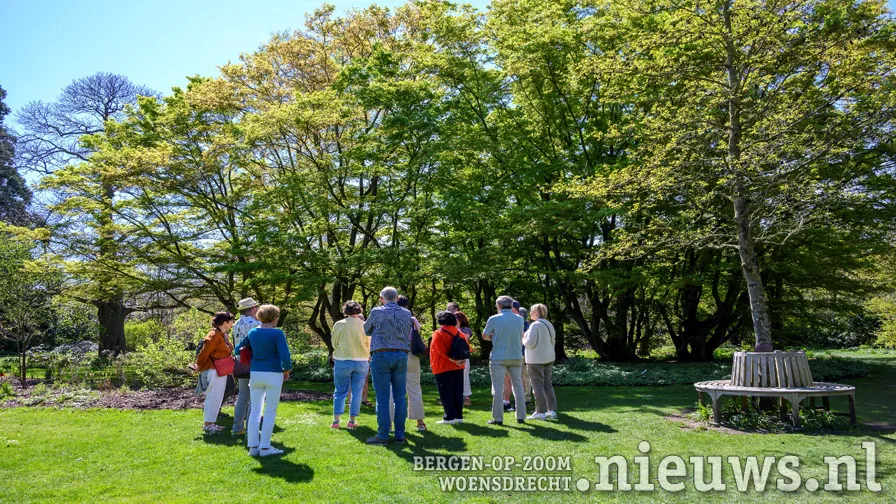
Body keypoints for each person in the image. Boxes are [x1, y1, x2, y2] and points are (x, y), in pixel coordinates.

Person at [235, 304, 291, 457]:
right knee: (270, 410)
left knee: (255, 410)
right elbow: (285, 356)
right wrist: (286, 369)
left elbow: (237, 348)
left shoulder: (253, 332)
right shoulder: (277, 334)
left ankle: (253, 447)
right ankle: (265, 447)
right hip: (273, 373)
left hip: (256, 373)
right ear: (274, 317)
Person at [363, 287, 414, 445]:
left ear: (381, 298)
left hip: (381, 354)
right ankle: (400, 435)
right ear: (397, 298)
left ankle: (383, 435)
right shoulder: (407, 313)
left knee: (383, 397)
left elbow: (366, 329)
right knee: (400, 397)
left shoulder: (377, 312)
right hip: (401, 354)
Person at [482, 296, 526, 425]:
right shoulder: (520, 319)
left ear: (500, 305)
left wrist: (495, 338)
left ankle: (498, 418)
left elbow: (485, 336)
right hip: (516, 356)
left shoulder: (494, 319)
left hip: (499, 357)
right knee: (518, 386)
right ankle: (521, 416)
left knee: (498, 387)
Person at [331, 300, 370, 430]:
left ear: (345, 311)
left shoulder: (339, 324)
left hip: (343, 360)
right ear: (359, 310)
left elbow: (334, 342)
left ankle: (336, 421)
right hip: (361, 360)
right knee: (357, 391)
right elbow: (369, 345)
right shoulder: (365, 325)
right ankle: (352, 420)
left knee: (340, 391)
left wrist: (339, 350)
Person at [196, 312, 235, 433]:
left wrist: (227, 340)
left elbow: (229, 350)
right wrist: (199, 366)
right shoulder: (213, 335)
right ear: (225, 323)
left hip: (219, 369)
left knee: (215, 397)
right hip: (214, 369)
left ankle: (209, 423)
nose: (232, 323)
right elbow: (204, 352)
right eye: (231, 321)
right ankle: (208, 424)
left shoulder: (221, 335)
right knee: (214, 397)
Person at [230, 298, 261, 437]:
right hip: (253, 363)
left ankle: (237, 427)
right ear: (253, 308)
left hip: (240, 363)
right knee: (255, 397)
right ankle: (251, 429)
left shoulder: (236, 323)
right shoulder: (255, 323)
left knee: (243, 396)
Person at [430, 311, 468, 424]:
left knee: (446, 392)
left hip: (442, 366)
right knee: (457, 392)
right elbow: (468, 348)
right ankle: (458, 416)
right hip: (458, 367)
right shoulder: (459, 333)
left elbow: (440, 351)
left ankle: (449, 417)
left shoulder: (438, 333)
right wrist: (459, 361)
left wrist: (453, 360)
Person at [396, 296, 427, 432]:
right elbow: (418, 332)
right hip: (411, 354)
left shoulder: (392, 318)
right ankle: (420, 422)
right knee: (414, 387)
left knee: (392, 389)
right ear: (407, 305)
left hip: (396, 352)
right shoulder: (412, 319)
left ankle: (391, 422)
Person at [523, 304, 558, 420]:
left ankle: (540, 411)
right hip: (549, 357)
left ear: (536, 313)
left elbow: (530, 343)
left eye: (532, 311)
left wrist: (523, 338)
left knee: (537, 385)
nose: (530, 313)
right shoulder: (549, 324)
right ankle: (551, 410)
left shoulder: (535, 325)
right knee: (547, 384)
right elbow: (552, 341)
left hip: (536, 359)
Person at [455, 311, 474, 406]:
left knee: (464, 376)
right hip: (453, 356)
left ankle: (467, 398)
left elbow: (464, 339)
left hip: (463, 356)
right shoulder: (451, 329)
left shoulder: (466, 330)